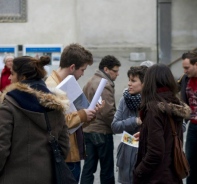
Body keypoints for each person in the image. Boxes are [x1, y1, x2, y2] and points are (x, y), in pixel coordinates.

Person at [0, 56, 70, 184]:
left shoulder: (9, 105)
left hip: (13, 178)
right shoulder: (56, 106)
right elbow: (64, 148)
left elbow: (2, 148)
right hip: (48, 177)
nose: (9, 78)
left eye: (12, 73)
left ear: (23, 78)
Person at [45, 43, 97, 182]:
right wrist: (82, 115)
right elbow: (57, 123)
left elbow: (74, 118)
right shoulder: (52, 86)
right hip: (65, 156)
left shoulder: (65, 83)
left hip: (71, 154)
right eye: (82, 70)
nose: (83, 74)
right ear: (72, 67)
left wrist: (89, 113)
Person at [133, 64, 191, 184]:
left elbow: (155, 152)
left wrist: (138, 171)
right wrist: (145, 134)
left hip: (157, 177)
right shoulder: (174, 104)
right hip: (172, 173)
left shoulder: (154, 108)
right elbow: (168, 135)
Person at [80, 55, 121, 184]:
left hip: (88, 130)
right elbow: (108, 112)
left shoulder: (90, 80)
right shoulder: (104, 84)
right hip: (102, 132)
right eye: (115, 71)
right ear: (106, 69)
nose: (117, 74)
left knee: (88, 168)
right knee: (107, 171)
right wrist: (116, 126)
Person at [111, 65, 149, 184]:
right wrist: (135, 121)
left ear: (144, 83)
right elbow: (115, 126)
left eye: (133, 81)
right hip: (126, 156)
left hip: (145, 156)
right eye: (129, 80)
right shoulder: (124, 99)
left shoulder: (152, 101)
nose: (129, 84)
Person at [178, 51, 197, 184]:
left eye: (187, 67)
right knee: (191, 163)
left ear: (196, 64)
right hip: (193, 126)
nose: (184, 71)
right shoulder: (185, 79)